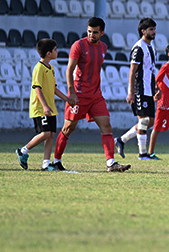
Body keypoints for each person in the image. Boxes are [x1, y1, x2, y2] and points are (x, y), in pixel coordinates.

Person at [53, 17, 130, 172]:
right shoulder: (78, 45)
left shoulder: (104, 47)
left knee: (106, 125)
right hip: (79, 94)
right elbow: (69, 69)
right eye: (89, 31)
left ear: (102, 32)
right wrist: (72, 92)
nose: (91, 35)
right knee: (69, 128)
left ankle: (111, 163)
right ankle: (55, 161)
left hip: (96, 95)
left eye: (95, 32)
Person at [16, 38, 74, 171]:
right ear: (49, 53)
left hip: (50, 107)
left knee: (51, 135)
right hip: (41, 107)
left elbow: (53, 88)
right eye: (55, 49)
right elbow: (37, 88)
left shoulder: (51, 68)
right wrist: (45, 106)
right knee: (46, 133)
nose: (57, 51)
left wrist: (67, 99)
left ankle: (46, 165)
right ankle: (23, 150)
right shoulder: (39, 68)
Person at [114, 18, 158, 159]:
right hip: (140, 89)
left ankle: (121, 140)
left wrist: (156, 87)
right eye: (151, 29)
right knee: (144, 120)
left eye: (154, 29)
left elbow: (151, 70)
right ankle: (143, 153)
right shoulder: (139, 48)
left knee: (149, 122)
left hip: (149, 89)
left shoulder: (151, 47)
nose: (154, 32)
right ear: (142, 31)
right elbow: (132, 71)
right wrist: (131, 92)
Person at [147, 43, 169, 160]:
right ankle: (150, 153)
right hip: (165, 105)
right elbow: (156, 80)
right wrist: (157, 92)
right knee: (156, 129)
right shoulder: (165, 67)